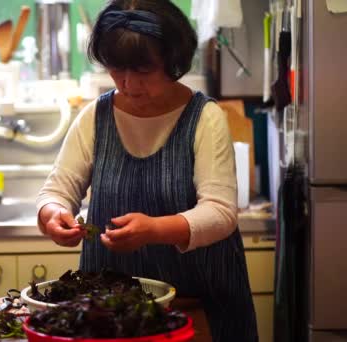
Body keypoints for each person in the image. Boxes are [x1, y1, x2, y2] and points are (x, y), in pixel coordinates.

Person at [36, 0, 258, 340]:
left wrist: (154, 230)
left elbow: (221, 212)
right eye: (116, 70)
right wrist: (53, 215)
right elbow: (57, 192)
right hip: (111, 315)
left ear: (174, 63)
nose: (129, 85)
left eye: (143, 71)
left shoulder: (204, 118)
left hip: (199, 308)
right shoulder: (95, 117)